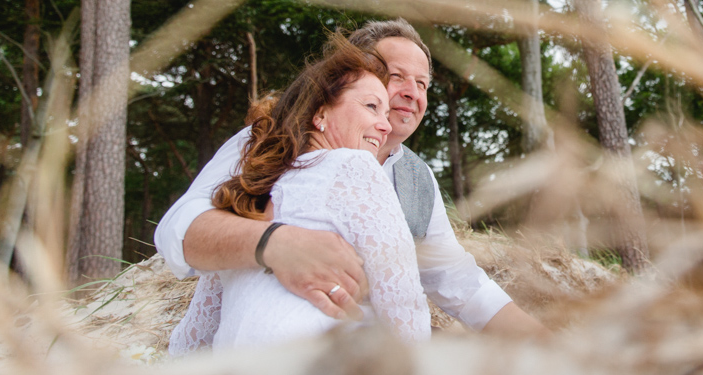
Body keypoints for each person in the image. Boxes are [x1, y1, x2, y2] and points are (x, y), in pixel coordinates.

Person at [155, 19, 544, 352]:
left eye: (423, 83)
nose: (413, 91)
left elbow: (462, 285)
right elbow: (178, 231)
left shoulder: (417, 178)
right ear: (349, 76)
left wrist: (553, 346)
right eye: (396, 77)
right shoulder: (267, 139)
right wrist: (276, 244)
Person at [204, 39, 429, 347]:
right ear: (320, 114)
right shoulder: (357, 167)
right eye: (372, 107)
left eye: (386, 112)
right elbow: (401, 300)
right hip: (321, 371)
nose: (385, 126)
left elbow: (201, 321)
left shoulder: (251, 191)